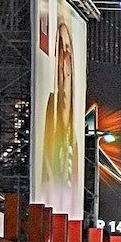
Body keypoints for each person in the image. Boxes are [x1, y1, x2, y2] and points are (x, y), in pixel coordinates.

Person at [39, 13, 79, 215]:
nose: (65, 60)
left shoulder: (75, 141)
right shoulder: (47, 113)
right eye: (60, 52)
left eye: (68, 52)